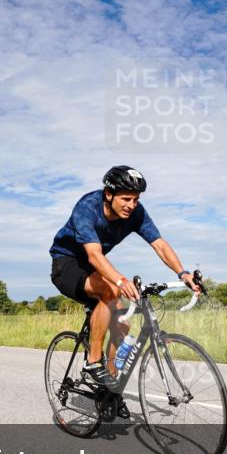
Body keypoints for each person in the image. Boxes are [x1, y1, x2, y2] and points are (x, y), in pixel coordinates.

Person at [49, 165, 199, 405]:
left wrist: (183, 274)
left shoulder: (136, 214)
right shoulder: (87, 208)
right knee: (109, 291)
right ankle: (92, 361)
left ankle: (110, 390)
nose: (132, 205)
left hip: (95, 267)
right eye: (126, 198)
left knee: (123, 327)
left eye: (136, 199)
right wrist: (120, 280)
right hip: (66, 263)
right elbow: (94, 256)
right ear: (109, 194)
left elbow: (159, 244)